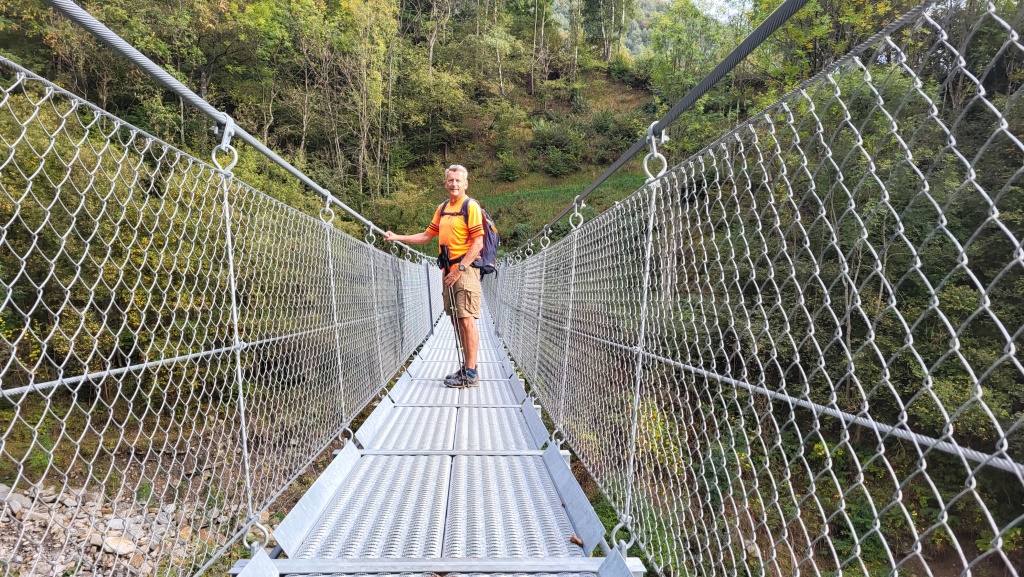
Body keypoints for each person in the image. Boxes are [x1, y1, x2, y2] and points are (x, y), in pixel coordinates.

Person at [384, 165, 484, 388]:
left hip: (464, 271)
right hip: (447, 271)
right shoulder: (442, 208)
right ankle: (467, 368)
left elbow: (478, 243)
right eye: (451, 180)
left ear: (466, 184)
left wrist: (459, 270)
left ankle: (471, 372)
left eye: (458, 180)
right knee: (456, 319)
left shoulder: (471, 206)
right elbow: (427, 236)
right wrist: (397, 237)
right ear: (445, 183)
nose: (454, 184)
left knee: (466, 319)